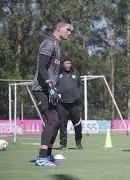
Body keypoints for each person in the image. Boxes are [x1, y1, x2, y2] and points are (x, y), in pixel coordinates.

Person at [32, 17, 72, 166]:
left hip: (50, 90)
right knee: (53, 120)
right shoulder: (49, 43)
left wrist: (54, 88)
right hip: (41, 88)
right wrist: (49, 85)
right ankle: (41, 158)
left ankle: (47, 156)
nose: (70, 32)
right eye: (68, 29)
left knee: (58, 121)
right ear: (59, 28)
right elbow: (41, 67)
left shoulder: (57, 45)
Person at [56, 57, 83, 150]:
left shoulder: (75, 73)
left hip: (74, 104)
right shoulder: (58, 73)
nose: (68, 65)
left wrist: (78, 96)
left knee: (77, 124)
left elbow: (80, 85)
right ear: (63, 64)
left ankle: (78, 143)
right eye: (66, 63)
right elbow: (53, 86)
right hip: (61, 104)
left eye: (69, 63)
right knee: (62, 125)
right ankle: (63, 145)